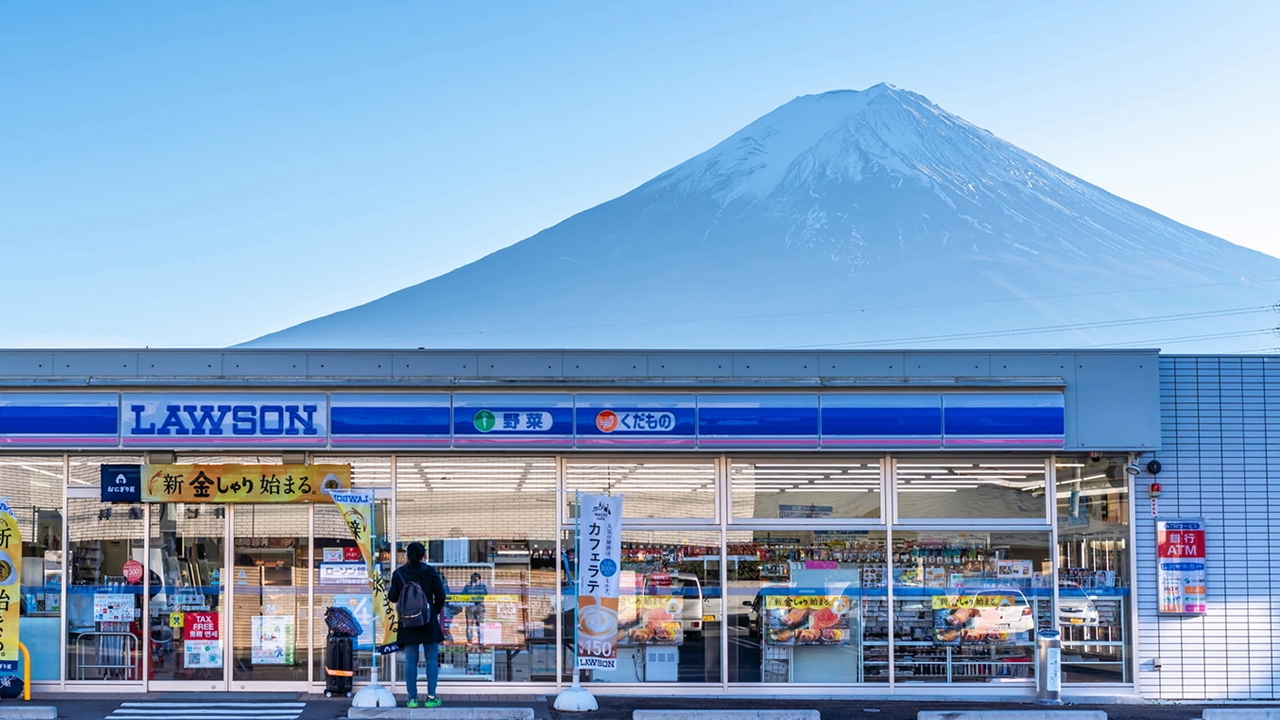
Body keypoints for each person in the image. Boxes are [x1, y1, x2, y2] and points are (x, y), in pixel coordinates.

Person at [388, 541, 447, 709]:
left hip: (408, 622)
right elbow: (441, 596)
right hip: (428, 621)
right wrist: (433, 612)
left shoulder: (399, 573)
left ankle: (412, 698)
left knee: (410, 661)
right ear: (424, 556)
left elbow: (392, 597)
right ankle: (431, 697)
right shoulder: (430, 572)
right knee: (431, 660)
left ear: (407, 555)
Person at [461, 572, 488, 644]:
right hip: (470, 607)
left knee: (481, 625)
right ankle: (469, 640)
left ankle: (481, 641)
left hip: (479, 606)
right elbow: (463, 595)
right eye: (473, 579)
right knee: (469, 625)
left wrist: (477, 586)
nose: (475, 581)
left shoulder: (482, 586)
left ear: (480, 580)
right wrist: (471, 587)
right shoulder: (467, 586)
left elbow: (485, 594)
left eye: (476, 579)